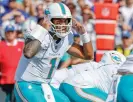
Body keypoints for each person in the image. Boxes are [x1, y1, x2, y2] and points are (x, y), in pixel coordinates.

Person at [14, 2, 94, 102]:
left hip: (46, 85)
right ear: (48, 20)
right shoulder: (38, 32)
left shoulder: (66, 37)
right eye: (58, 21)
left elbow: (88, 56)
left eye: (65, 21)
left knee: (65, 101)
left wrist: (83, 33)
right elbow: (28, 53)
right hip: (27, 83)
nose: (62, 24)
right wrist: (42, 30)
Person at [51, 51, 126, 102]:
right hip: (78, 86)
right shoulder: (118, 72)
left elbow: (67, 72)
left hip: (70, 85)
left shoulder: (96, 66)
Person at [0, 24, 24, 102]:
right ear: (5, 33)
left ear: (15, 33)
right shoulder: (1, 45)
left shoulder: (21, 45)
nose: (10, 34)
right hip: (5, 80)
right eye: (8, 32)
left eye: (12, 32)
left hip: (19, 80)